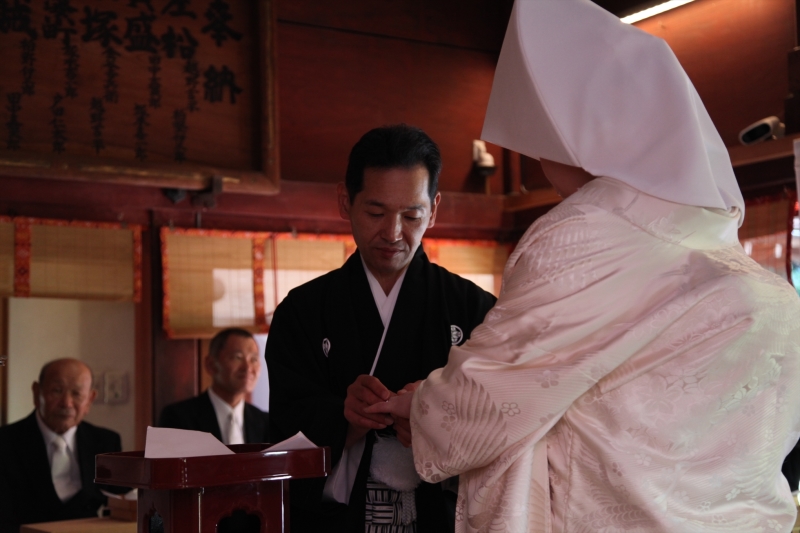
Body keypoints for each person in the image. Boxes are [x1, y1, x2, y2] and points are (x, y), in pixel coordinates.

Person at [367, 1, 800, 532]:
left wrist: (421, 408)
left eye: (543, 141)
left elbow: (494, 396)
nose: (542, 162)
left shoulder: (587, 232)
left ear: (583, 135)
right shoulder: (733, 257)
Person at [266, 124, 497, 532]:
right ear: (345, 201)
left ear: (434, 210)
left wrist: (436, 414)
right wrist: (344, 417)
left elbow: (501, 419)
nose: (392, 233)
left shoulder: (474, 308)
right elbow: (286, 422)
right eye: (376, 213)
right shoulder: (302, 311)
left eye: (411, 216)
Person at [0, 358, 124, 532]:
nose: (66, 403)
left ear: (90, 400)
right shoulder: (5, 442)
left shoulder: (105, 442)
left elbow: (121, 506)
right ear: (37, 393)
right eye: (57, 391)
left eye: (77, 394)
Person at [159, 328, 269, 444]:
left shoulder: (265, 422)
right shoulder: (178, 418)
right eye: (237, 357)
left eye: (254, 359)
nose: (247, 368)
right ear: (211, 365)